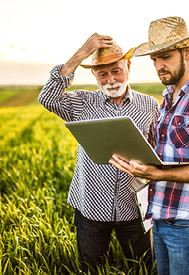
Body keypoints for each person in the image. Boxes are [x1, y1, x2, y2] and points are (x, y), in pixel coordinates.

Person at [109, 17, 189, 275]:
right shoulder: (169, 98)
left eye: (166, 57)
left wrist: (157, 174)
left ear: (187, 52)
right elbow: (166, 153)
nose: (159, 65)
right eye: (155, 59)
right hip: (159, 215)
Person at [38, 33, 159, 273]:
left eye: (116, 71)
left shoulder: (150, 106)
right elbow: (47, 97)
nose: (111, 79)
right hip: (90, 208)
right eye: (102, 74)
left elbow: (156, 153)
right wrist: (82, 53)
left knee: (144, 268)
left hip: (134, 208)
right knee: (91, 269)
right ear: (93, 75)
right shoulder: (82, 102)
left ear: (129, 66)